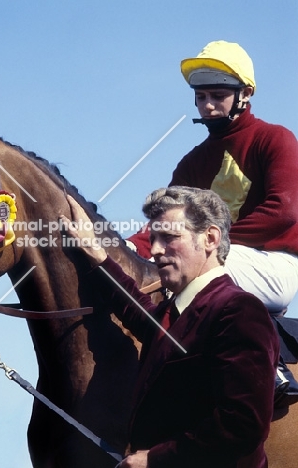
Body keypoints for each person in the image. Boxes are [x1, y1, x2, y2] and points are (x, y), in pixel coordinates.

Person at [61, 186, 279, 468]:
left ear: (210, 238)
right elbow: (135, 309)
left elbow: (244, 424)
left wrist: (155, 459)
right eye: (152, 239)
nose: (154, 250)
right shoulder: (171, 313)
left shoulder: (238, 310)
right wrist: (95, 252)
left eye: (169, 237)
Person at [127, 40, 298, 316]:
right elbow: (166, 223)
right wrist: (129, 246)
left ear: (246, 93)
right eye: (201, 97)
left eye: (217, 96)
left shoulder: (276, 139)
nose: (207, 106)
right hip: (208, 252)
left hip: (274, 262)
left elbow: (282, 213)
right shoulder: (192, 162)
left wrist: (204, 240)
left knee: (182, 263)